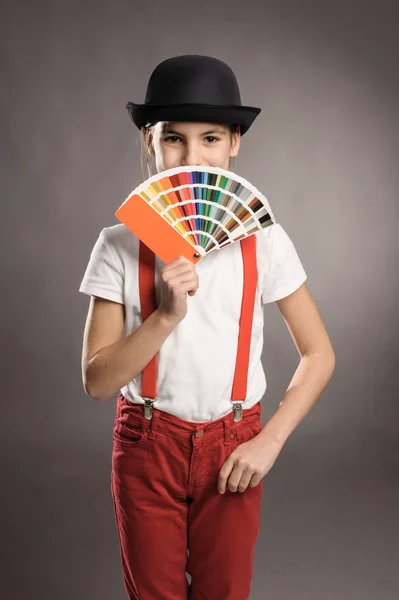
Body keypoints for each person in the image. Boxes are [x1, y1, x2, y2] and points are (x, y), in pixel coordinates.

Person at [78, 55, 335, 600]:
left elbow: (319, 354)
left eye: (211, 139)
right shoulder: (119, 244)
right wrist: (165, 317)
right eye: (173, 138)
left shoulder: (263, 242)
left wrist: (269, 441)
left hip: (235, 444)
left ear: (234, 143)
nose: (190, 158)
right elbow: (98, 381)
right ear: (149, 141)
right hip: (147, 444)